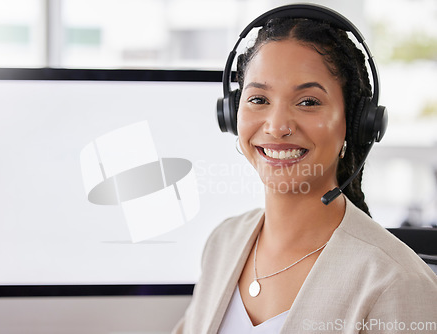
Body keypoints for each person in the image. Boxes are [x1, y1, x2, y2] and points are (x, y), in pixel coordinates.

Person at [173, 6, 437, 334]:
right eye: (258, 99)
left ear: (354, 125)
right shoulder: (223, 243)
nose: (277, 126)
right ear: (231, 114)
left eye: (308, 102)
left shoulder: (396, 282)